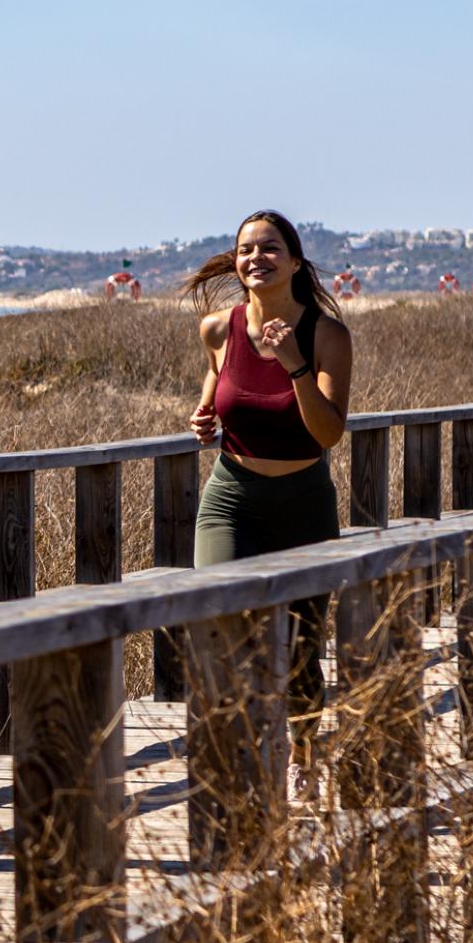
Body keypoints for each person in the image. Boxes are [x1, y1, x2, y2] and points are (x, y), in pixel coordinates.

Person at [183, 211, 354, 725]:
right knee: (220, 619)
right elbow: (214, 392)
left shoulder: (326, 334)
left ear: (295, 261)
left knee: (301, 646)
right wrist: (202, 419)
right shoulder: (218, 329)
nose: (256, 257)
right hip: (232, 501)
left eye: (270, 248)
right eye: (246, 250)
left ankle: (301, 752)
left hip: (303, 504)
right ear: (236, 264)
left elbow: (328, 433)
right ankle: (243, 753)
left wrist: (294, 363)